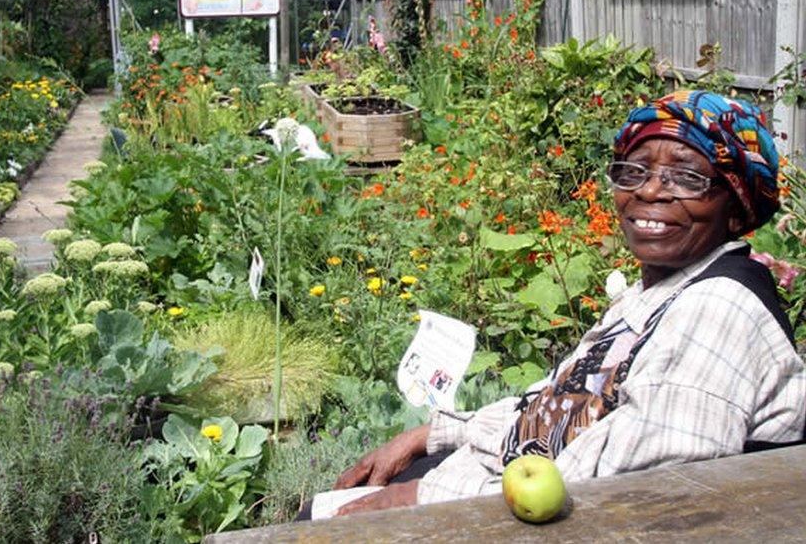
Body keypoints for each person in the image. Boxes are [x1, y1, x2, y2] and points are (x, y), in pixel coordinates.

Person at [304, 90, 806, 520]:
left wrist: (420, 496)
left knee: (313, 523)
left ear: (737, 209)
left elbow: (631, 485)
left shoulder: (719, 310)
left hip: (530, 516)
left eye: (687, 178)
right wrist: (431, 434)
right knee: (320, 507)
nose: (651, 190)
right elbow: (559, 403)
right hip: (501, 490)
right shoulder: (662, 290)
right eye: (634, 171)